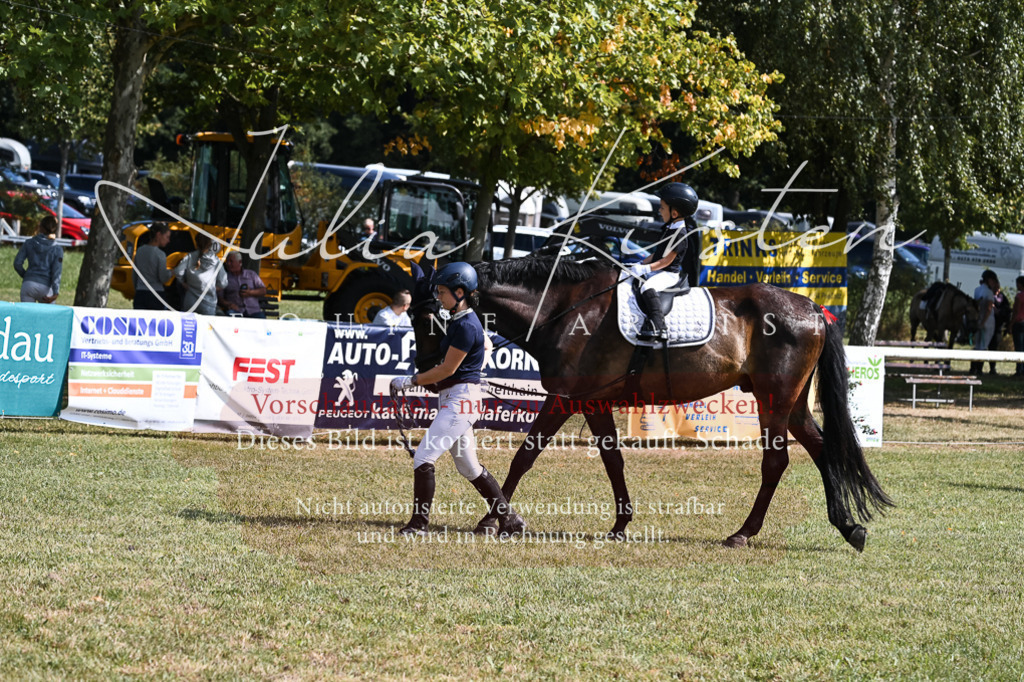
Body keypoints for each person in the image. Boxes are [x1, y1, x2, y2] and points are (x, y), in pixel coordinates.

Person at [389, 262, 522, 537]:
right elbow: (487, 344)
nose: (438, 297)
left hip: (460, 402)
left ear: (460, 292)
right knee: (469, 467)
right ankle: (510, 520)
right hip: (459, 399)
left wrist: (409, 381)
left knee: (424, 458)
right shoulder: (463, 321)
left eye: (442, 292)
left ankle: (419, 525)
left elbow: (446, 370)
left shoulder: (465, 326)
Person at [629, 182, 699, 341]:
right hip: (659, 269)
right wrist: (640, 264)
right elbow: (656, 255)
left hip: (668, 274)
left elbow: (666, 261)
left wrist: (646, 270)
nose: (659, 211)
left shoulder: (680, 235)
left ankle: (658, 326)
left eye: (662, 208)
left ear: (674, 213)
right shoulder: (670, 229)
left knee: (648, 286)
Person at [173, 233, 226, 315]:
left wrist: (184, 284)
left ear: (196, 243)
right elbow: (223, 282)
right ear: (210, 244)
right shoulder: (216, 260)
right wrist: (211, 287)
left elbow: (178, 271)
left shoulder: (190, 256)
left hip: (190, 300)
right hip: (208, 303)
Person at [14, 215, 62, 303]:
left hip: (28, 284)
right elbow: (56, 272)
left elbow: (17, 263)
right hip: (46, 287)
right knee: (47, 316)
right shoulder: (57, 248)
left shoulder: (29, 243)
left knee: (27, 315)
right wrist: (55, 292)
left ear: (41, 227)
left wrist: (26, 276)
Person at [133, 223, 173, 310]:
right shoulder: (160, 254)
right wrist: (172, 273)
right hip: (156, 294)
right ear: (158, 235)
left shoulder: (139, 251)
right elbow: (163, 277)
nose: (168, 240)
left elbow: (134, 275)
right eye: (167, 237)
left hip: (140, 292)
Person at [219, 251, 267, 318]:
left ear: (240, 262)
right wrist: (229, 304)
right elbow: (220, 298)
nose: (228, 264)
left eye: (231, 261)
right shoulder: (225, 278)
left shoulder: (251, 275)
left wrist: (250, 292)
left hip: (253, 311)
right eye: (227, 261)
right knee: (230, 314)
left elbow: (263, 290)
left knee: (261, 319)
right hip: (236, 311)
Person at [970, 269, 999, 375]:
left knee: (976, 345)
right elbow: (988, 309)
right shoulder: (989, 292)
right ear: (989, 280)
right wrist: (983, 322)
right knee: (983, 345)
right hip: (988, 321)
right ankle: (979, 369)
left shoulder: (977, 290)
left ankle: (972, 368)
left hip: (978, 319)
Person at [1012, 276, 1024, 377]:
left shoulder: (1019, 296)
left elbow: (1016, 312)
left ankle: (1019, 370)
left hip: (1019, 323)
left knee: (1019, 348)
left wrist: (1010, 325)